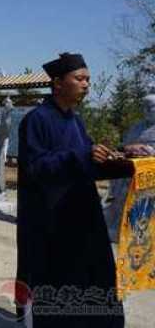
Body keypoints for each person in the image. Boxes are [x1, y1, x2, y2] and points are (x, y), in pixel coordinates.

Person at [15, 53, 139, 327]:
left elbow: (90, 164)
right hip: (51, 220)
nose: (86, 85)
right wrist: (82, 156)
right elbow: (37, 167)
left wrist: (126, 159)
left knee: (94, 280)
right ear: (58, 83)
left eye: (88, 80)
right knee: (56, 285)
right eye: (79, 79)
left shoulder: (75, 121)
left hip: (82, 215)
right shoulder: (36, 120)